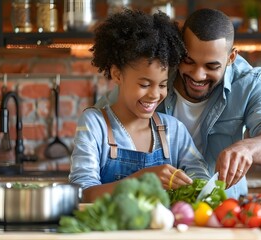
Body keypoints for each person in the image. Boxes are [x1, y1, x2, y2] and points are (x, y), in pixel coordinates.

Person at [98, 8, 261, 198]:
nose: (197, 75)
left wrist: (248, 149)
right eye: (189, 61)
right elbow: (100, 120)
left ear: (231, 57)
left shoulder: (251, 83)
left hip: (222, 208)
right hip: (155, 208)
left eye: (211, 66)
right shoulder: (156, 72)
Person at [70, 9, 210, 202]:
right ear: (117, 75)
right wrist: (142, 180)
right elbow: (82, 194)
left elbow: (201, 179)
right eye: (144, 84)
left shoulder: (173, 130)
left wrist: (196, 188)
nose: (155, 94)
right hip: (111, 231)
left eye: (162, 85)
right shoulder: (96, 124)